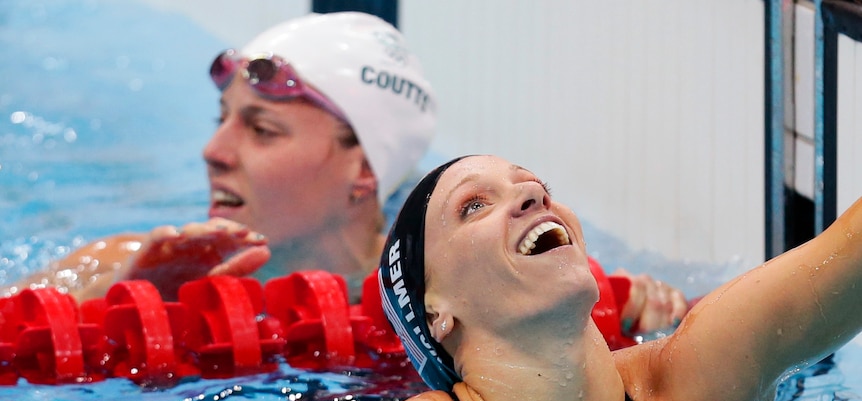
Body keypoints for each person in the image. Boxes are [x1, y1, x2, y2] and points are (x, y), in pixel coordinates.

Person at [256, 154, 862, 401]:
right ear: (437, 311)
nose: (532, 195)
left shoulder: (690, 391)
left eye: (531, 184)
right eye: (473, 207)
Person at [2, 12, 685, 336]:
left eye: (261, 129)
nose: (213, 149)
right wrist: (120, 299)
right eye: (222, 117)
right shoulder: (128, 264)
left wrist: (643, 317)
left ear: (363, 170)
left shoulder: (464, 286)